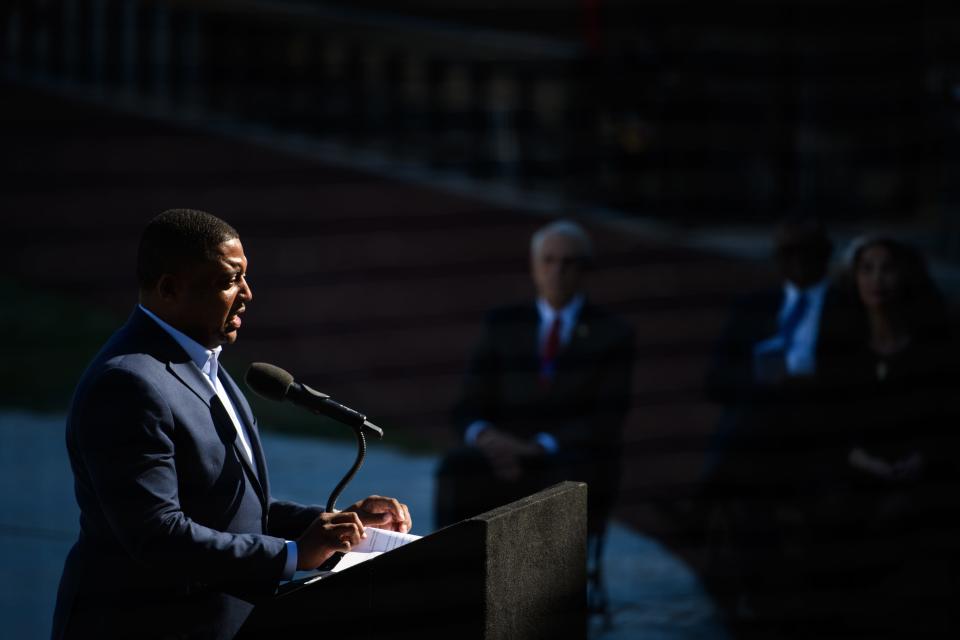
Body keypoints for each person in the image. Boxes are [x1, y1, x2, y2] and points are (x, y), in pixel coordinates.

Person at [52, 210, 412, 640]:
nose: (248, 294)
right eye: (229, 280)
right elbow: (157, 536)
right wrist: (295, 553)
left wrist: (336, 528)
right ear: (170, 288)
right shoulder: (127, 383)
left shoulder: (206, 365)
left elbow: (231, 507)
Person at [434, 219, 634, 550]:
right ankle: (451, 573)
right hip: (500, 458)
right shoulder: (503, 324)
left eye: (569, 262)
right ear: (534, 266)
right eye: (549, 260)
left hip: (566, 459)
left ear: (585, 270)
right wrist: (489, 438)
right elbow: (467, 405)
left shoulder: (612, 333)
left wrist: (537, 448)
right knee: (457, 469)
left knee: (564, 486)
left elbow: (606, 419)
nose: (558, 271)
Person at [699, 217, 854, 620]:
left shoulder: (849, 310)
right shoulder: (752, 308)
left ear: (827, 254)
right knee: (750, 502)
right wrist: (761, 378)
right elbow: (715, 381)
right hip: (759, 444)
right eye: (789, 252)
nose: (799, 261)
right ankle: (761, 596)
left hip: (822, 440)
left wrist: (809, 380)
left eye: (809, 251)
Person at [811, 237, 960, 634]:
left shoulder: (933, 348)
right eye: (867, 269)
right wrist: (861, 460)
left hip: (918, 471)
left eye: (887, 268)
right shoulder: (842, 342)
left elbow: (944, 420)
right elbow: (827, 422)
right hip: (853, 467)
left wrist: (922, 458)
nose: (877, 279)